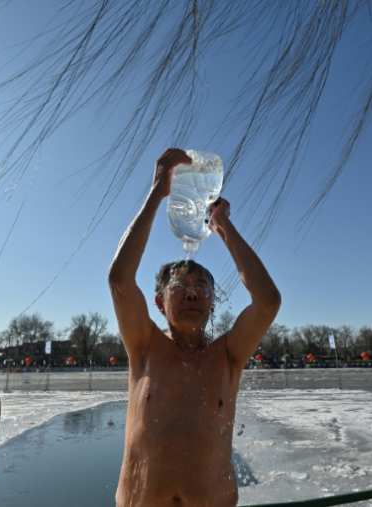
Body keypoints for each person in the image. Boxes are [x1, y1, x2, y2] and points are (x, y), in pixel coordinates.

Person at [108, 148, 281, 507]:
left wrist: (222, 226)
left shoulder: (228, 356)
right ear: (160, 303)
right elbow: (120, 279)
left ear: (212, 303)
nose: (193, 295)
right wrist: (158, 192)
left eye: (202, 289)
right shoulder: (144, 347)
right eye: (180, 287)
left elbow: (267, 301)